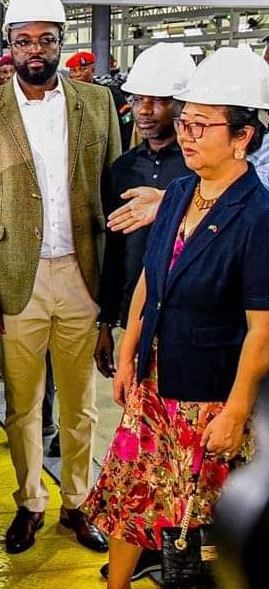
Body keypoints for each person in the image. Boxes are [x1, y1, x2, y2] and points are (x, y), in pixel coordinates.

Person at [80, 45, 269, 589]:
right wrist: (130, 350)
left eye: (200, 125)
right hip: (156, 383)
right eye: (183, 122)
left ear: (243, 137)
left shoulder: (257, 217)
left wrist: (237, 409)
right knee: (132, 491)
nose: (184, 134)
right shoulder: (183, 189)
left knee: (206, 517)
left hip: (209, 393)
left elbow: (261, 329)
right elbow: (148, 279)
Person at [0, 0, 120, 555]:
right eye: (24, 40)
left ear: (61, 44)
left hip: (82, 275)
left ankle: (77, 502)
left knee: (81, 405)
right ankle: (29, 503)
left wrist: (112, 302)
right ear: (9, 47)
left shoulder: (97, 106)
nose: (35, 50)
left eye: (46, 39)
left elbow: (112, 199)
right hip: (14, 280)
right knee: (24, 405)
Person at [95, 43, 196, 391]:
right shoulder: (124, 167)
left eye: (159, 100)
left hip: (191, 318)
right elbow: (114, 250)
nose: (145, 110)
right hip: (133, 316)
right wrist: (106, 322)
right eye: (138, 99)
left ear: (183, 103)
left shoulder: (199, 166)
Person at [67, 51, 133, 154]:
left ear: (93, 70)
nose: (77, 74)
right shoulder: (66, 97)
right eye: (73, 71)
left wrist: (122, 152)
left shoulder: (109, 94)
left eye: (83, 69)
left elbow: (127, 122)